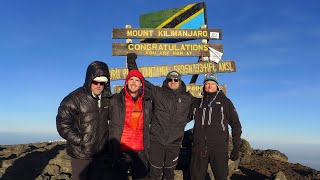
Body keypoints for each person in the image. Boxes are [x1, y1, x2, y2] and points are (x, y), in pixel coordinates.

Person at [127, 53, 195, 180]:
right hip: (156, 140)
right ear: (166, 81)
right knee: (154, 174)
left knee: (169, 174)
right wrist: (131, 61)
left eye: (176, 80)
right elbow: (139, 79)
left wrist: (184, 121)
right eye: (170, 79)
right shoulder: (158, 93)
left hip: (174, 143)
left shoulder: (188, 98)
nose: (173, 82)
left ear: (180, 81)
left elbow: (200, 107)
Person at [56, 61, 111, 180]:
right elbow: (62, 124)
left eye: (102, 83)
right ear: (89, 80)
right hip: (80, 154)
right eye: (96, 82)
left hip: (100, 154)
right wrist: (82, 140)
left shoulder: (107, 100)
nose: (99, 86)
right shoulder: (74, 98)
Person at [190, 73, 242, 180]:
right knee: (196, 177)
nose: (209, 86)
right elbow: (182, 119)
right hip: (199, 148)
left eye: (212, 84)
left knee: (221, 177)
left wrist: (237, 147)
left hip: (219, 148)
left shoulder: (225, 103)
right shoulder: (197, 103)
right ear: (203, 86)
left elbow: (236, 125)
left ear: (217, 86)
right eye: (207, 83)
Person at [109, 69, 152, 180]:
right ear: (126, 82)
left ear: (141, 83)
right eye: (131, 79)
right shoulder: (115, 100)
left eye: (137, 80)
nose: (133, 83)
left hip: (140, 150)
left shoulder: (147, 102)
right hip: (120, 150)